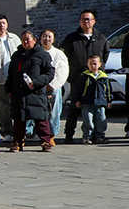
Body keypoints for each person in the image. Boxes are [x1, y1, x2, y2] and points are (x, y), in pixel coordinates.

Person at [61, 9, 109, 143]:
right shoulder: (71, 39)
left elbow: (105, 55)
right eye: (83, 19)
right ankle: (69, 135)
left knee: (97, 109)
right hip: (78, 79)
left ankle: (97, 135)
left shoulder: (101, 38)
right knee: (74, 107)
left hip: (96, 79)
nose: (85, 22)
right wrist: (71, 74)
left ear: (94, 21)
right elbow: (64, 57)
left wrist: (99, 70)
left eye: (88, 19)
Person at [6, 29, 55, 152]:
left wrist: (37, 82)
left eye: (28, 39)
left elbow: (49, 73)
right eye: (23, 40)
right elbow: (11, 74)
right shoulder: (17, 55)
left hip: (36, 92)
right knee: (19, 119)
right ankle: (18, 141)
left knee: (41, 119)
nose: (25, 42)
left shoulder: (42, 54)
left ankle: (46, 141)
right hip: (19, 93)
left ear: (34, 40)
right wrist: (9, 88)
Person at [0, 15, 21, 139]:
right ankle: (7, 131)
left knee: (18, 104)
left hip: (16, 77)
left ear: (7, 24)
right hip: (0, 78)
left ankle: (21, 131)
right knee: (2, 107)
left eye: (3, 23)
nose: (1, 25)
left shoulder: (14, 38)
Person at [39, 29, 69, 139]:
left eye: (49, 37)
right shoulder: (36, 52)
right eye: (44, 36)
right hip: (39, 86)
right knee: (39, 110)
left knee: (54, 111)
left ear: (53, 39)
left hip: (54, 86)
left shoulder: (59, 54)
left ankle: (52, 133)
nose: (46, 39)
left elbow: (62, 72)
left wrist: (52, 86)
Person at [78, 55, 112, 144]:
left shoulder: (104, 77)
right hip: (87, 102)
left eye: (95, 64)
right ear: (87, 64)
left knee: (101, 119)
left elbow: (108, 90)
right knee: (88, 120)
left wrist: (109, 100)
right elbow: (79, 89)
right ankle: (87, 137)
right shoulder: (84, 76)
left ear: (100, 64)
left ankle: (100, 136)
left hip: (100, 102)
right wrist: (78, 100)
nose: (93, 66)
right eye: (90, 64)